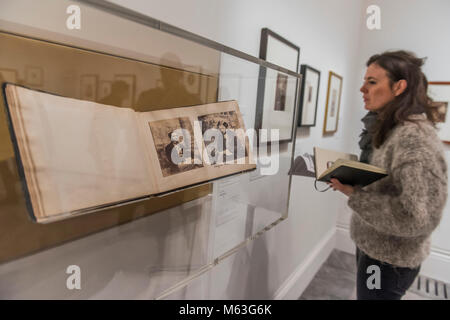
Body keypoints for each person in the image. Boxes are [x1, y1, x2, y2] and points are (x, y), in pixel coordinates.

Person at [328, 50, 448, 300]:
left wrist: (355, 195)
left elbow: (416, 218)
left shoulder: (413, 138)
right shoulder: (394, 130)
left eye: (372, 82)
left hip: (388, 259)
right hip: (376, 246)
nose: (362, 89)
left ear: (399, 87)